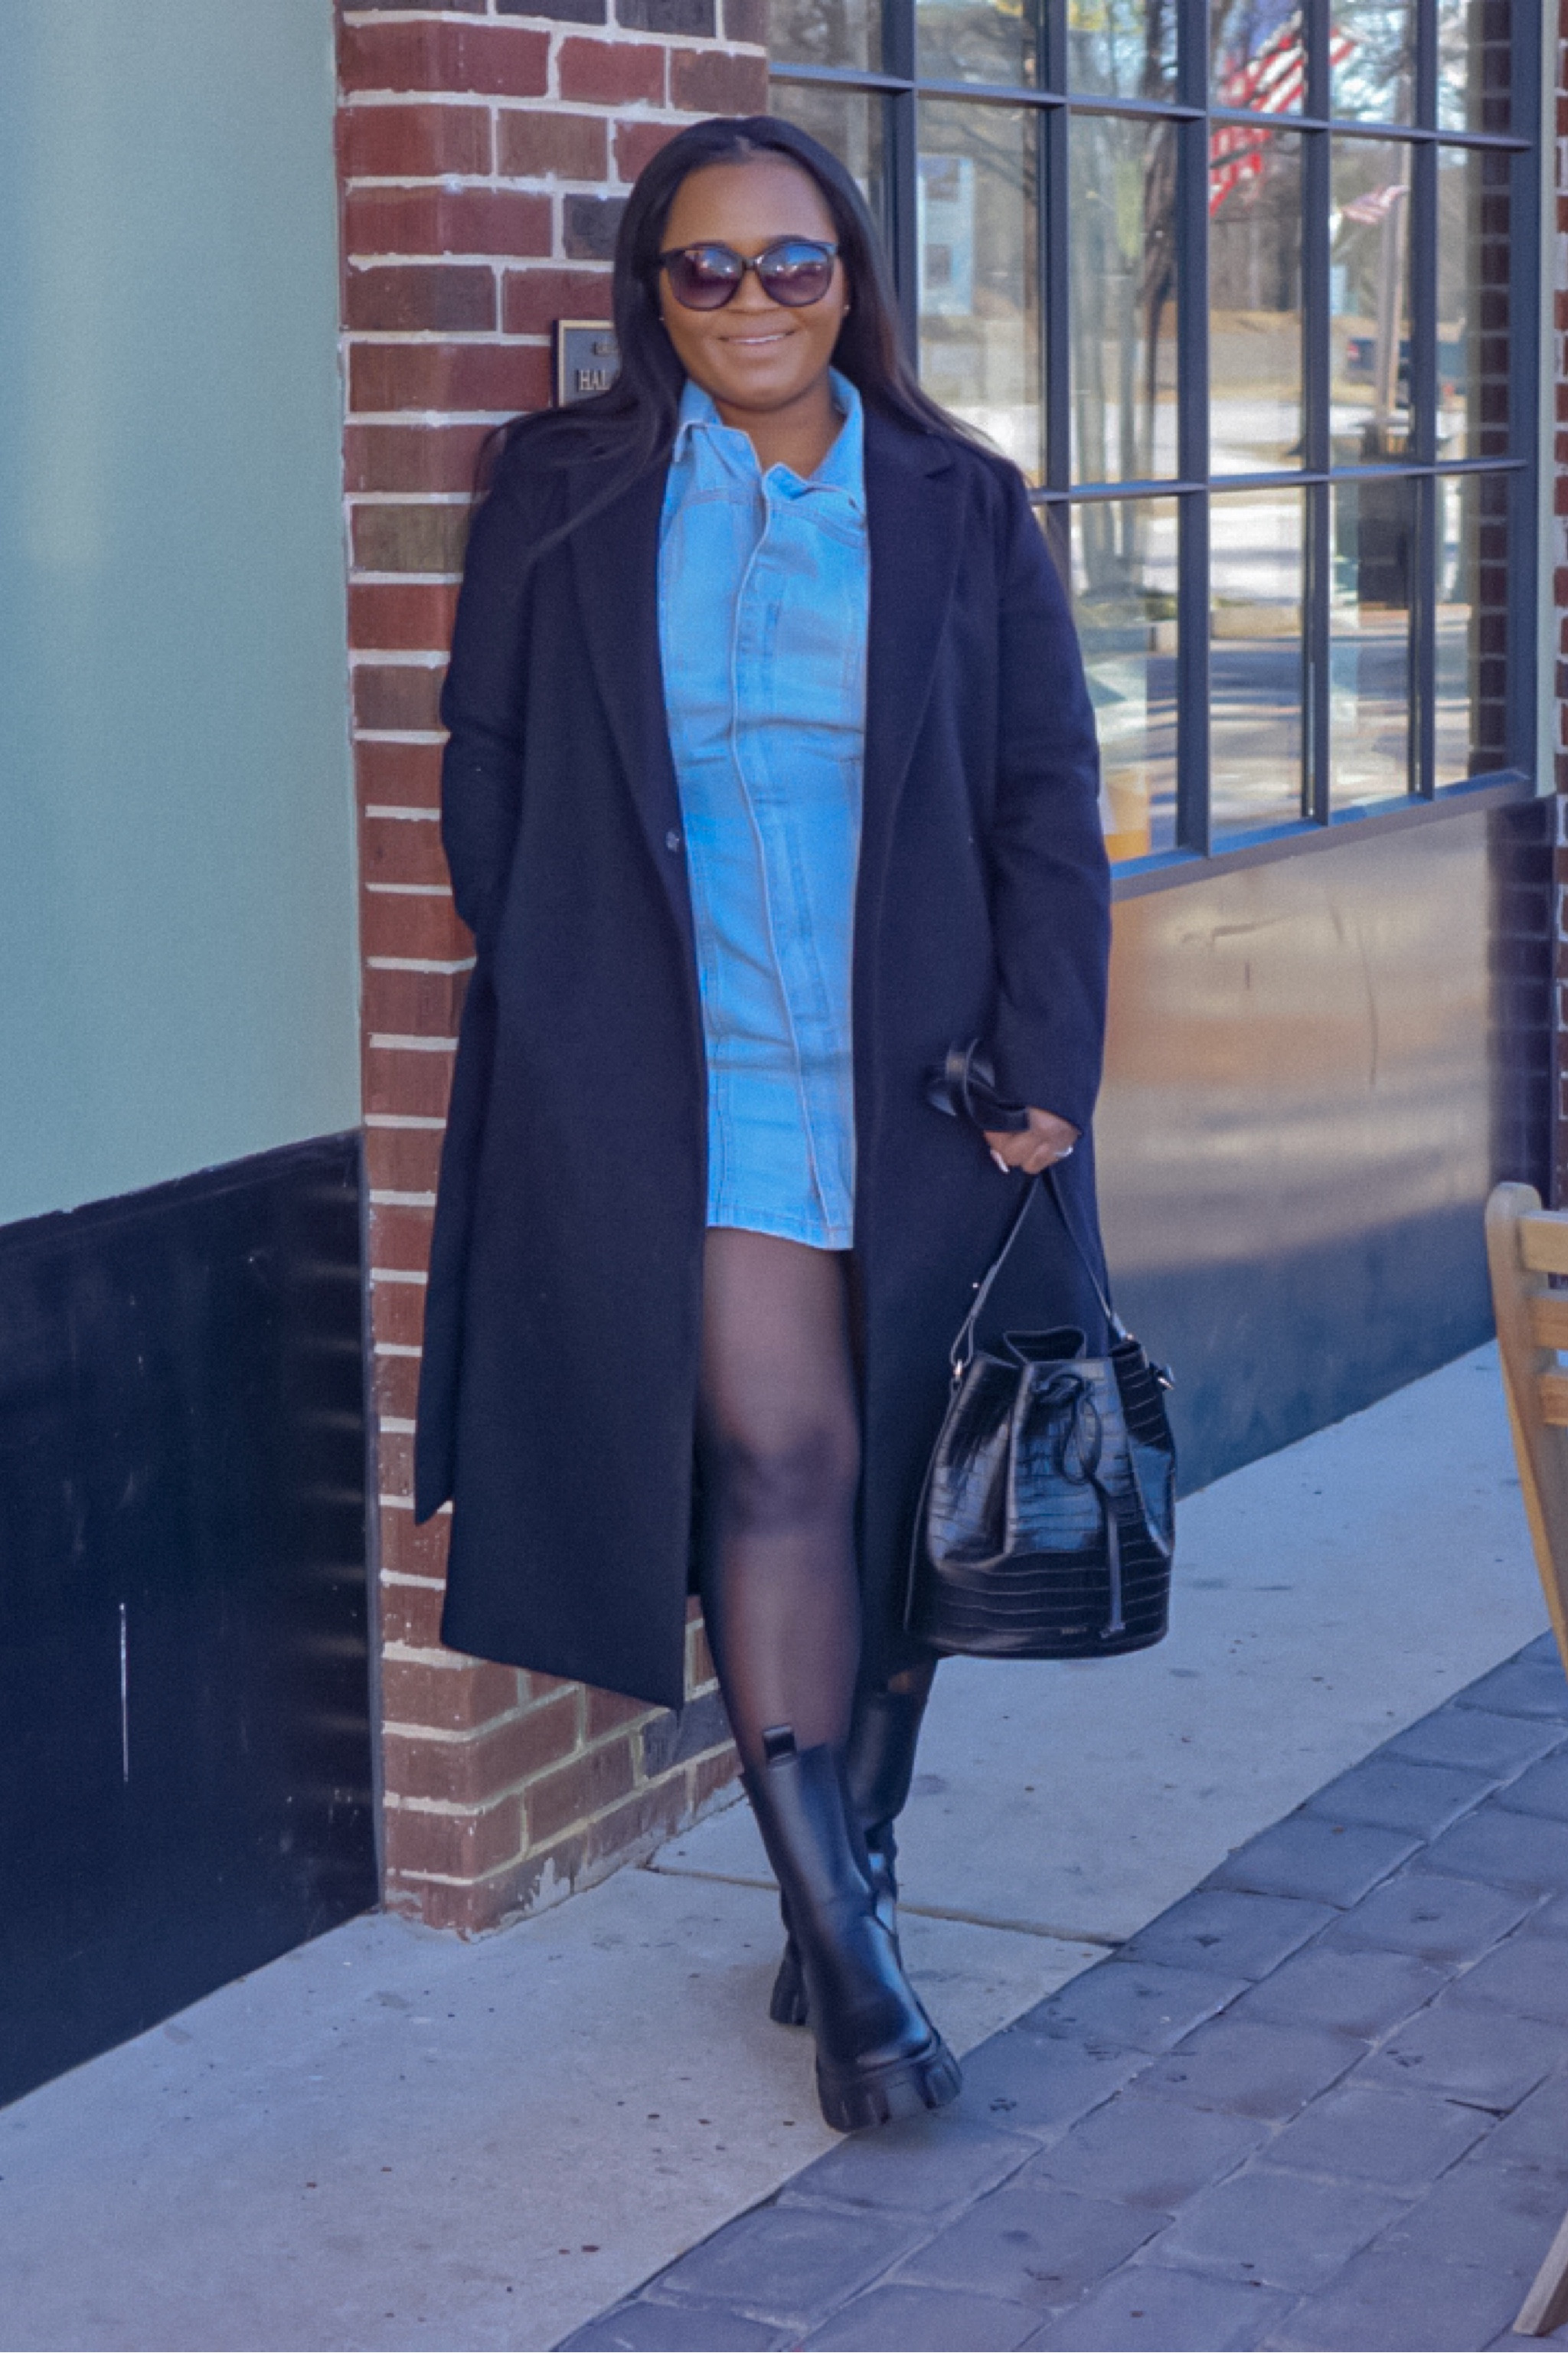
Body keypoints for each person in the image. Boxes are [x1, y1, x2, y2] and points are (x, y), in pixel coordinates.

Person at [415, 113, 1112, 2134]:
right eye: (704, 270)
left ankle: (848, 1880)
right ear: (655, 292)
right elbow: (491, 762)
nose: (748, 305)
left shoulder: (959, 508)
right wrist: (561, 986)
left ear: (850, 283)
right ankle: (855, 1962)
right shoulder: (560, 491)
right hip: (678, 1074)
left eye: (788, 266)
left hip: (929, 1088)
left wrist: (1048, 1064)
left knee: (910, 1481)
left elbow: (1042, 802)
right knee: (786, 1453)